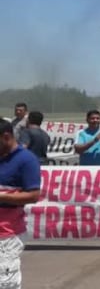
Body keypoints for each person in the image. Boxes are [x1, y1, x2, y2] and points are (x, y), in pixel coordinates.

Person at [0, 119, 41, 288]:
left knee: (5, 282)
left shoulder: (26, 160)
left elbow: (33, 195)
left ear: (6, 136)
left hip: (8, 235)